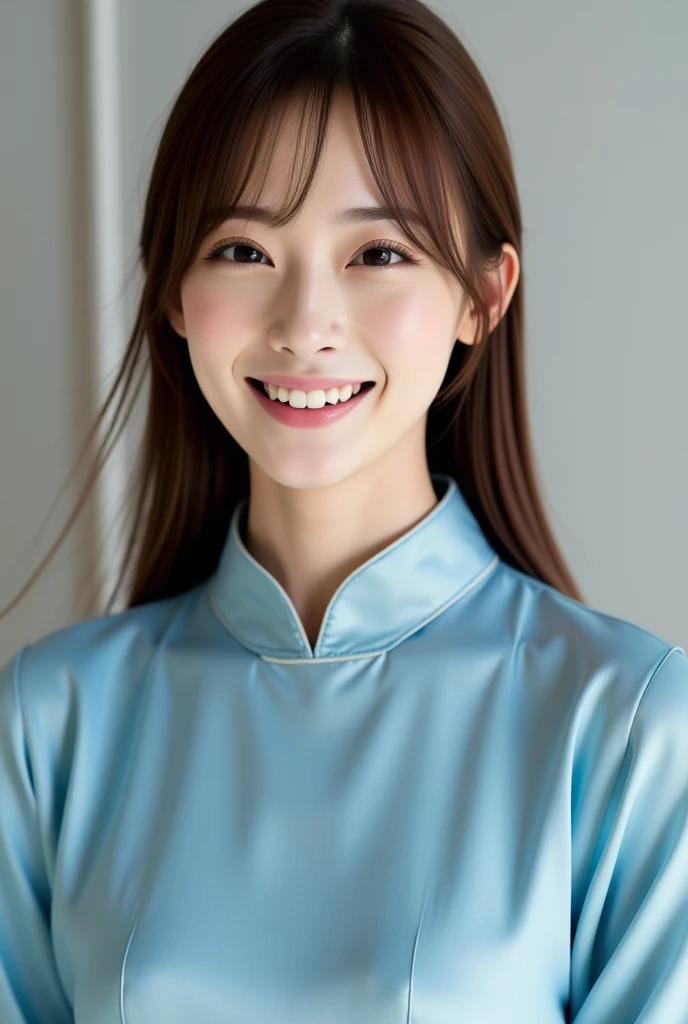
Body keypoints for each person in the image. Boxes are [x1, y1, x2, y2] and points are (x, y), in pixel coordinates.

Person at [1, 0, 686, 1020]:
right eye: (243, 249)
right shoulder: (51, 721)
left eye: (378, 254)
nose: (305, 324)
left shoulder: (624, 725)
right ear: (173, 293)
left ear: (481, 297)